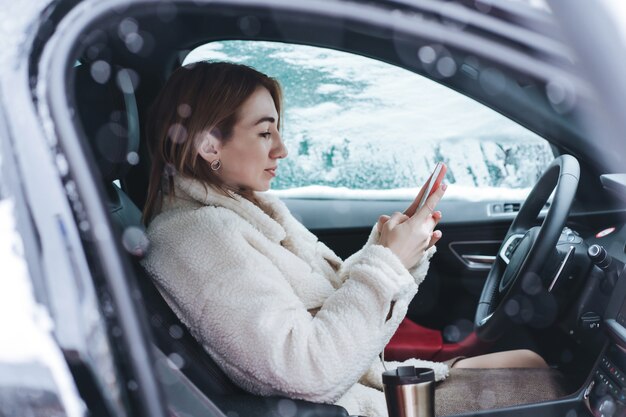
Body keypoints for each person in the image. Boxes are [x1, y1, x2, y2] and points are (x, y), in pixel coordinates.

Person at [141, 62, 566, 417]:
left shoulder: (241, 211)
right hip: (354, 406)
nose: (282, 149)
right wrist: (387, 266)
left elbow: (321, 305)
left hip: (363, 386)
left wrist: (388, 250)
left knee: (529, 364)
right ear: (209, 145)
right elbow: (306, 372)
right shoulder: (197, 237)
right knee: (549, 386)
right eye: (265, 132)